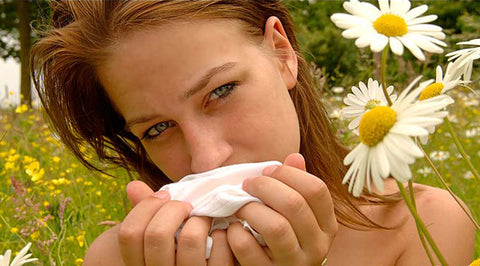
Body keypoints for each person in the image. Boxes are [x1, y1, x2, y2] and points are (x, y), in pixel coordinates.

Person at [31, 1, 475, 265]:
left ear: (282, 53)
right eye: (158, 128)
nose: (207, 158)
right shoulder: (120, 258)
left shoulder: (422, 227)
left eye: (221, 91)